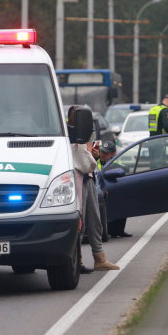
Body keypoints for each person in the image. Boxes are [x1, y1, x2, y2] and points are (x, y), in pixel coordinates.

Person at [68, 106, 120, 273]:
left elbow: (88, 157)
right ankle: (78, 260)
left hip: (88, 178)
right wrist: (93, 160)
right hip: (77, 179)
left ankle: (100, 258)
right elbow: (85, 163)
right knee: (80, 222)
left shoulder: (85, 134)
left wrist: (94, 156)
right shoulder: (74, 135)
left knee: (95, 220)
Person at [95, 140, 132, 238]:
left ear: (113, 154)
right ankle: (106, 230)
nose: (102, 154)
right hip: (98, 190)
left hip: (112, 190)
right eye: (101, 151)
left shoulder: (116, 162)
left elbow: (125, 170)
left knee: (123, 198)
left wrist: (112, 166)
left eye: (105, 153)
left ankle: (119, 230)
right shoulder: (96, 161)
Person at [148, 93, 168, 168]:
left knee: (153, 165)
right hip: (160, 141)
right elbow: (167, 126)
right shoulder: (164, 110)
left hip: (151, 140)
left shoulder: (153, 109)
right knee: (160, 165)